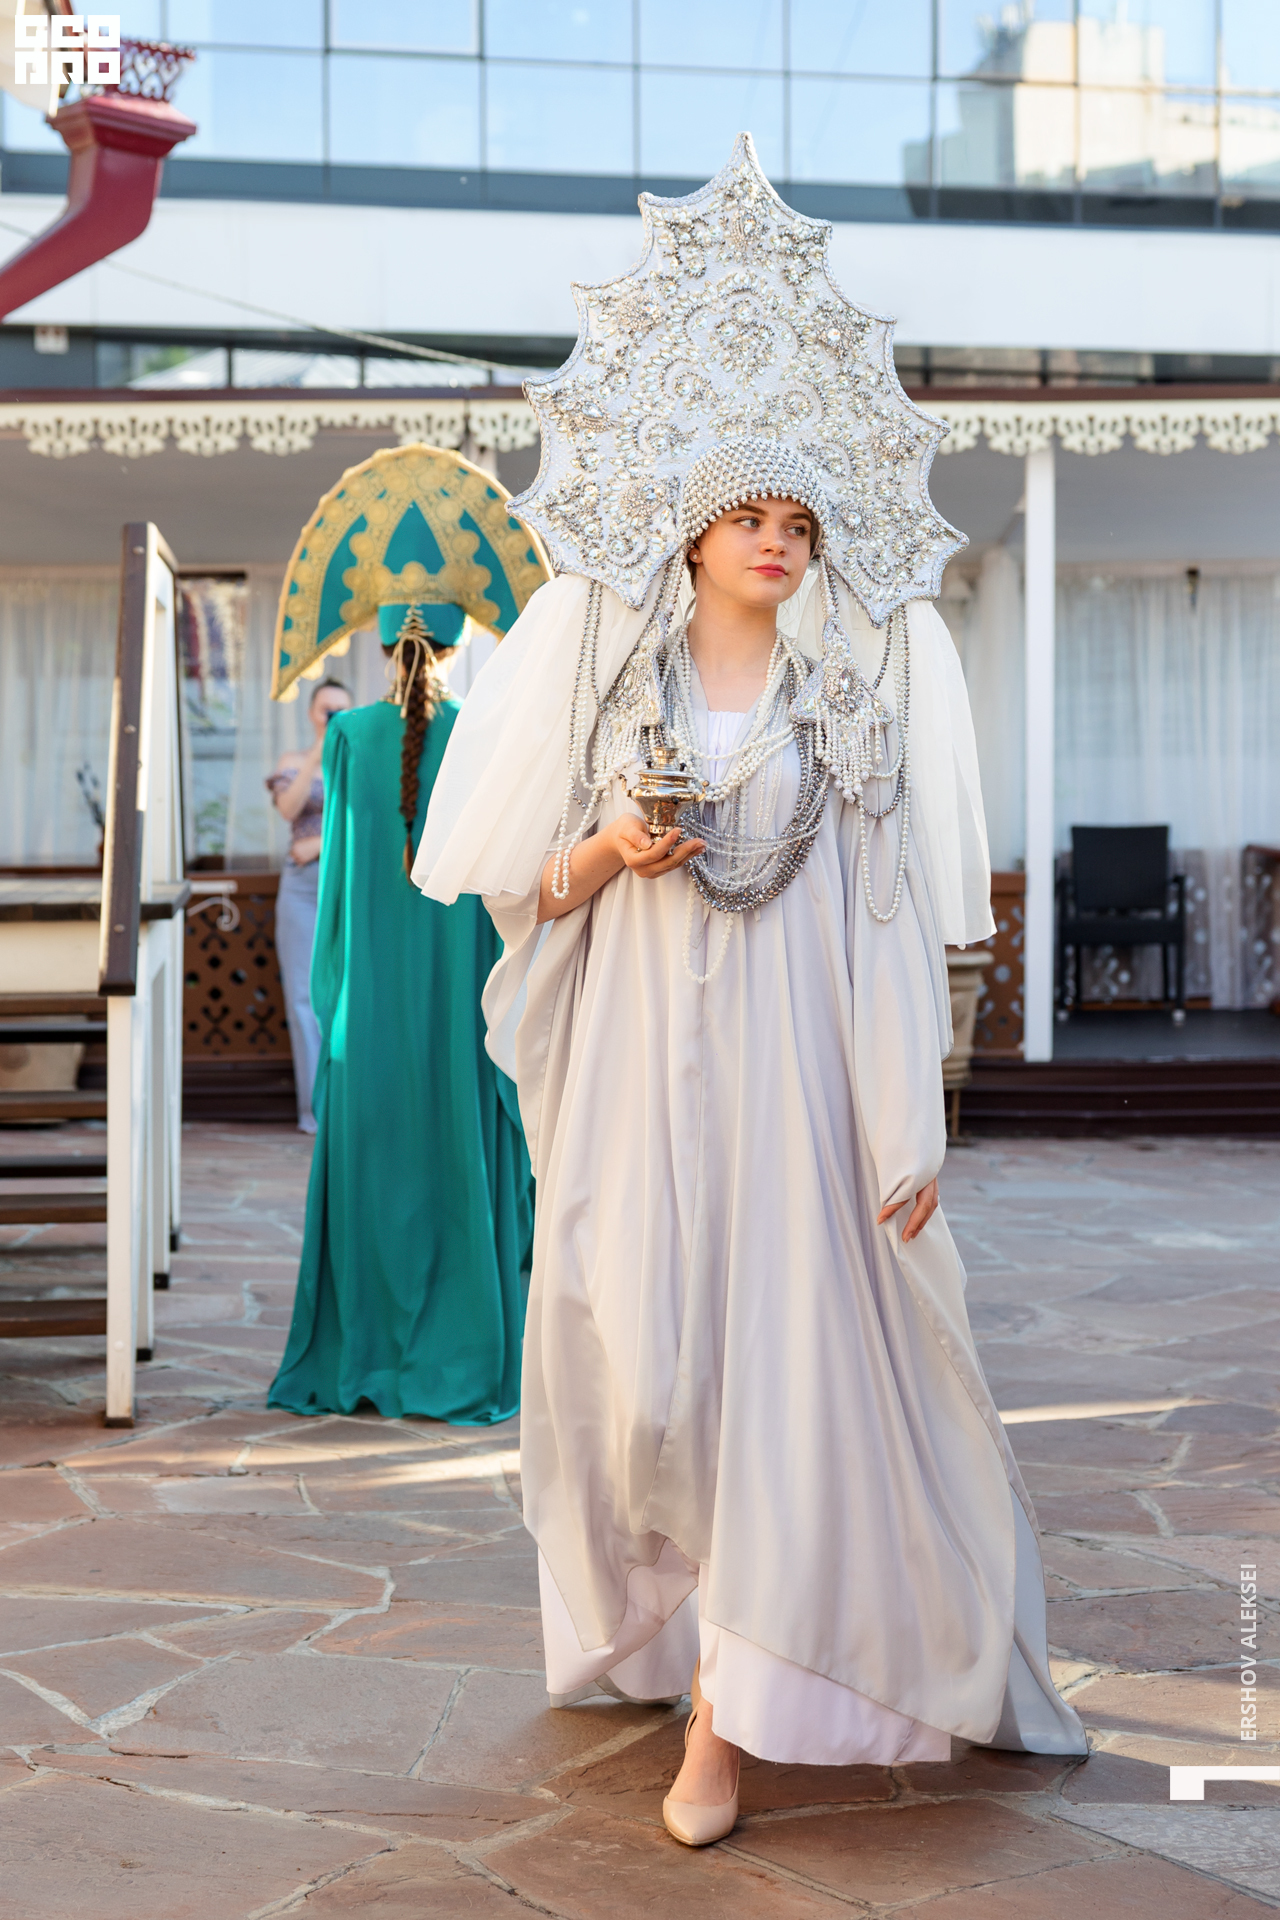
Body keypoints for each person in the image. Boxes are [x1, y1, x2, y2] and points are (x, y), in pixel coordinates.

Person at [416, 137, 1086, 1848]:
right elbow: (523, 888)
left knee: (781, 1384)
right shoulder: (606, 688)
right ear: (695, 533)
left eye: (799, 526)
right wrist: (611, 850)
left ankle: (730, 1716)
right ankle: (679, 1635)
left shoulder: (844, 709)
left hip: (795, 1086)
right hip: (640, 1080)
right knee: (641, 1371)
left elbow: (880, 923)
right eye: (752, 521)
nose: (779, 545)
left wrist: (901, 1112)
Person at [268, 604, 533, 1424]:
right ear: (459, 644)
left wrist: (335, 995)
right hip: (460, 985)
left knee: (377, 1152)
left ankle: (369, 1349)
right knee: (458, 1141)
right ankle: (466, 1349)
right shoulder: (481, 727)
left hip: (375, 986)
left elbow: (337, 886)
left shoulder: (349, 736)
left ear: (383, 646)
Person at [267, 677, 352, 1133]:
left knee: (349, 991)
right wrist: (318, 755)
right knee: (303, 997)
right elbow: (287, 808)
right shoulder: (294, 761)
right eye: (326, 709)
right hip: (301, 888)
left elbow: (372, 822)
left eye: (342, 710)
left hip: (346, 880)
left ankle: (348, 1103)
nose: (333, 716)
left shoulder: (360, 762)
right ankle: (314, 1110)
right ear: (311, 713)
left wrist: (318, 843)